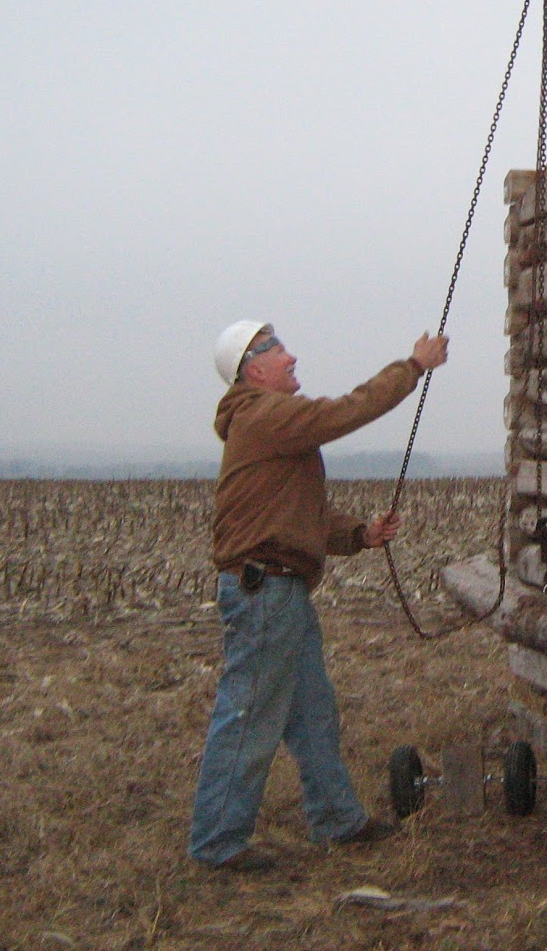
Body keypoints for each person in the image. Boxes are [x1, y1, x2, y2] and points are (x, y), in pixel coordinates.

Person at [188, 319, 449, 872]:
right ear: (254, 369)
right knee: (249, 716)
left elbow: (298, 516)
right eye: (277, 349)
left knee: (311, 713)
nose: (291, 357)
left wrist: (359, 535)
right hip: (265, 593)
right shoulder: (263, 415)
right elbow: (345, 411)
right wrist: (413, 367)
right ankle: (217, 843)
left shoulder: (267, 424)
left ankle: (336, 818)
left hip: (278, 592)